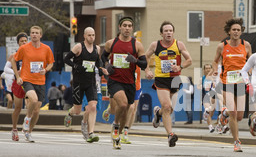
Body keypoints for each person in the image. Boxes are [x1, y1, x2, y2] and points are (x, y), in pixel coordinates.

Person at [102, 17, 147, 149]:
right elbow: (103, 56)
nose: (127, 28)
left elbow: (144, 64)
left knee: (126, 110)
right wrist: (106, 65)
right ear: (120, 27)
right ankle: (115, 125)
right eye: (125, 26)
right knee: (122, 104)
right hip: (115, 80)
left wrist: (135, 61)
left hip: (130, 82)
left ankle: (118, 134)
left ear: (132, 29)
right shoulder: (112, 43)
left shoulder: (137, 45)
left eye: (129, 26)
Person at [145, 21, 192, 147]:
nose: (168, 33)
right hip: (161, 79)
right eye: (166, 31)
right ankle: (170, 135)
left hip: (175, 80)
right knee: (166, 106)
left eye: (170, 30)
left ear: (173, 32)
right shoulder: (155, 45)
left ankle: (157, 113)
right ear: (161, 33)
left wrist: (180, 66)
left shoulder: (179, 44)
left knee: (169, 109)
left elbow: (189, 60)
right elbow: (145, 57)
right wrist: (147, 70)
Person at [212, 18, 251, 152]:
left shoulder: (246, 45)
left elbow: (250, 61)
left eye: (238, 30)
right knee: (234, 112)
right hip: (226, 82)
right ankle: (236, 141)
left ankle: (224, 114)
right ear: (229, 31)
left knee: (239, 116)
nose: (236, 32)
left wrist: (250, 70)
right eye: (233, 29)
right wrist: (215, 69)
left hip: (240, 83)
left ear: (241, 32)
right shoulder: (222, 46)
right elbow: (215, 61)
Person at [10, 26, 54, 142]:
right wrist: (18, 76)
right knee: (33, 100)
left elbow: (51, 63)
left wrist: (46, 70)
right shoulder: (24, 48)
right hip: (27, 79)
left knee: (37, 110)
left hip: (40, 81)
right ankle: (27, 120)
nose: (34, 35)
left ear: (40, 35)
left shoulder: (46, 49)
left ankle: (29, 132)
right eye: (32, 33)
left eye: (36, 33)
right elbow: (14, 60)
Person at [63, 27, 102, 143]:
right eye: (89, 35)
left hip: (91, 82)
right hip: (78, 82)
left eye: (93, 35)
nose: (92, 37)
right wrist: (76, 66)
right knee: (77, 110)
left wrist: (100, 68)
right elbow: (66, 59)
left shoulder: (97, 48)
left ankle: (90, 132)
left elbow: (97, 61)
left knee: (93, 106)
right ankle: (70, 114)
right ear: (84, 36)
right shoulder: (79, 47)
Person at [5, 32, 28, 141]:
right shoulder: (14, 55)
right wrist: (16, 72)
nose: (24, 42)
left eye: (25, 40)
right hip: (18, 83)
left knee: (30, 105)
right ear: (18, 43)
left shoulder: (30, 53)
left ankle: (27, 126)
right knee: (18, 108)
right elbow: (6, 69)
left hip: (29, 82)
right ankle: (14, 129)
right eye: (21, 41)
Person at [201, 64, 216, 133]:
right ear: (204, 70)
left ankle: (206, 117)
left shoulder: (214, 78)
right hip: (205, 96)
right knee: (207, 110)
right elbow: (199, 88)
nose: (208, 70)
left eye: (209, 68)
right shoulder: (202, 78)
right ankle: (210, 127)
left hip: (213, 97)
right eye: (206, 68)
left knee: (211, 111)